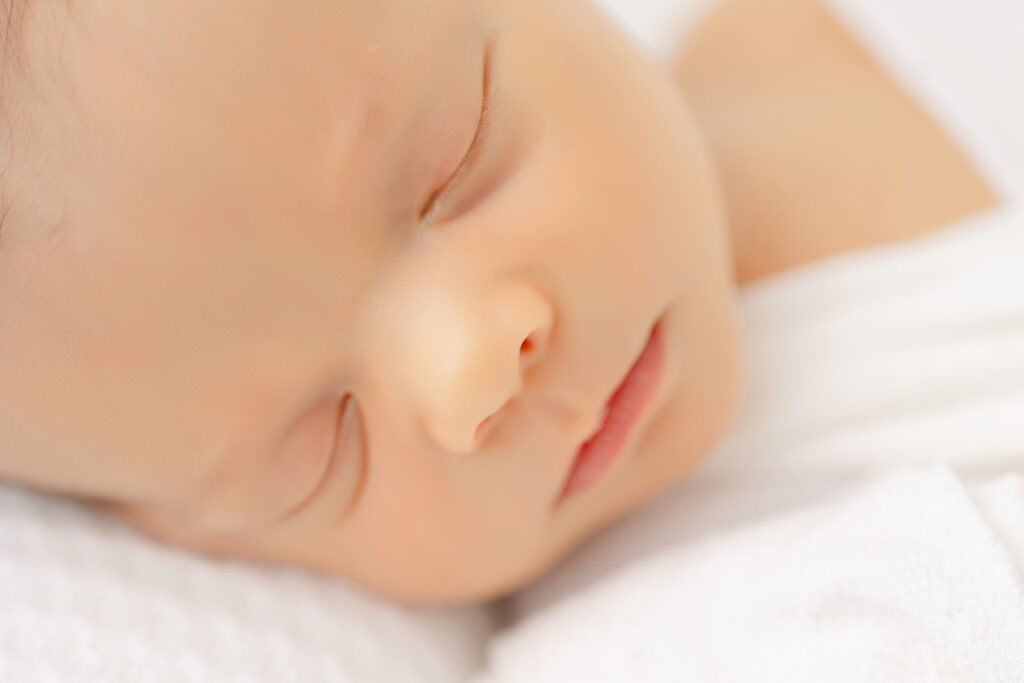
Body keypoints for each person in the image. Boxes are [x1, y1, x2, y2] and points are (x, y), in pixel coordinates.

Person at [0, 0, 996, 605]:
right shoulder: (694, 626)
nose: (469, 371)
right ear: (190, 538)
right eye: (320, 451)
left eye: (457, 161)